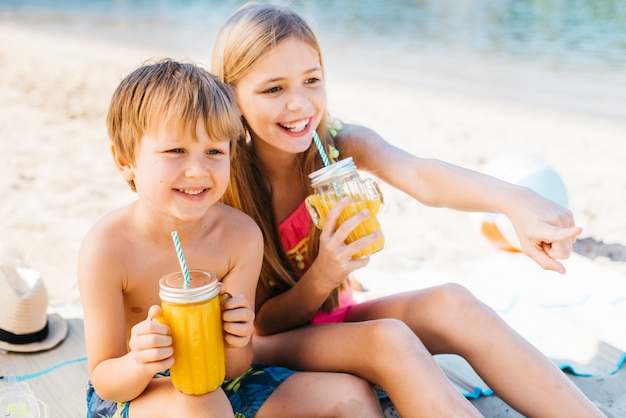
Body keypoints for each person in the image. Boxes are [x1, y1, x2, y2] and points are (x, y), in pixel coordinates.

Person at [211, 3, 605, 417]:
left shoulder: (335, 145)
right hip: (265, 342)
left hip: (332, 318)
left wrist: (514, 200)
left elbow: (421, 175)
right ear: (232, 97)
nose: (300, 105)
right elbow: (262, 324)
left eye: (312, 81)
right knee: (388, 339)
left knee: (454, 304)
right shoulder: (227, 185)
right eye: (274, 89)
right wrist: (325, 273)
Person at [78, 58, 383, 418]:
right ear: (126, 160)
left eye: (214, 152)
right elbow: (105, 379)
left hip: (223, 382)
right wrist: (140, 362)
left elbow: (236, 368)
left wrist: (237, 338)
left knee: (352, 395)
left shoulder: (239, 236)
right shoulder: (107, 249)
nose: (197, 170)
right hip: (138, 392)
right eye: (176, 151)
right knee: (205, 407)